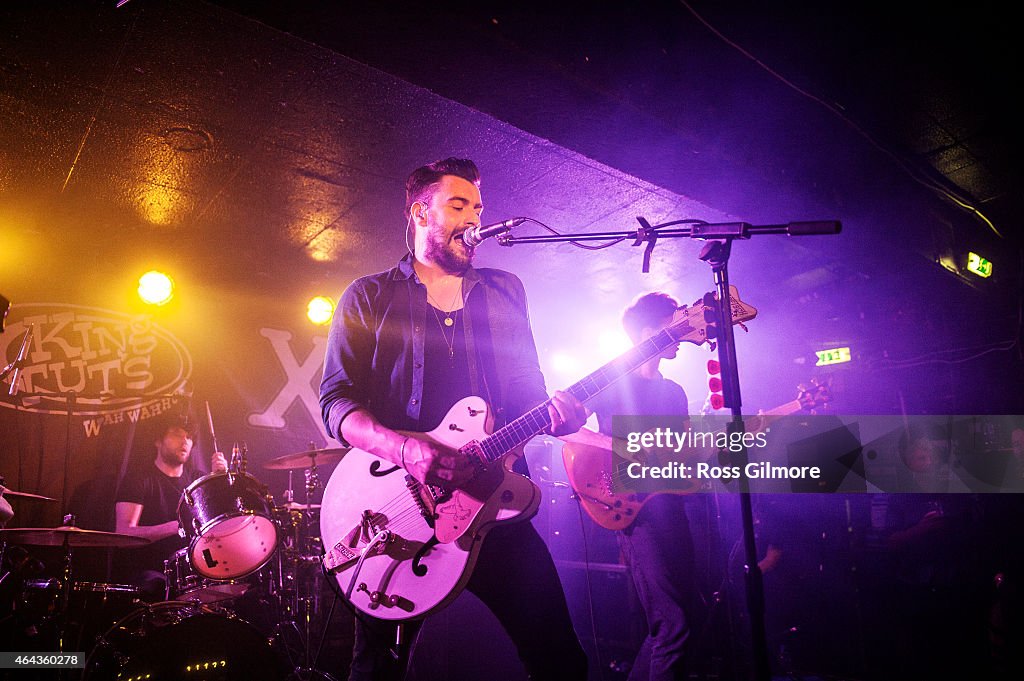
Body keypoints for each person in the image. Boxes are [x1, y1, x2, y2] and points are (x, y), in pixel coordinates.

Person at [319, 157, 589, 681]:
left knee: (560, 660)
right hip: (396, 512)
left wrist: (558, 417)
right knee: (376, 669)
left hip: (494, 500)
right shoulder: (369, 295)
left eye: (480, 208)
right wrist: (405, 450)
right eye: (459, 205)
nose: (475, 219)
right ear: (420, 213)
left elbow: (528, 390)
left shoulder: (505, 290)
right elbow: (335, 403)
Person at [568, 291, 697, 681]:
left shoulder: (674, 392)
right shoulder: (612, 382)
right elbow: (566, 428)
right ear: (650, 331)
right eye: (677, 322)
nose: (686, 329)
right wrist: (617, 448)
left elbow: (686, 453)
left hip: (671, 507)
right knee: (673, 624)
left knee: (689, 614)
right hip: (635, 512)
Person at [114, 417, 226, 598]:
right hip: (151, 572)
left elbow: (220, 527)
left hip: (197, 571)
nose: (184, 442)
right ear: (158, 441)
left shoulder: (198, 480)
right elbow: (123, 534)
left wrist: (219, 481)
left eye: (189, 437)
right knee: (158, 587)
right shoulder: (139, 479)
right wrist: (176, 526)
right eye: (176, 435)